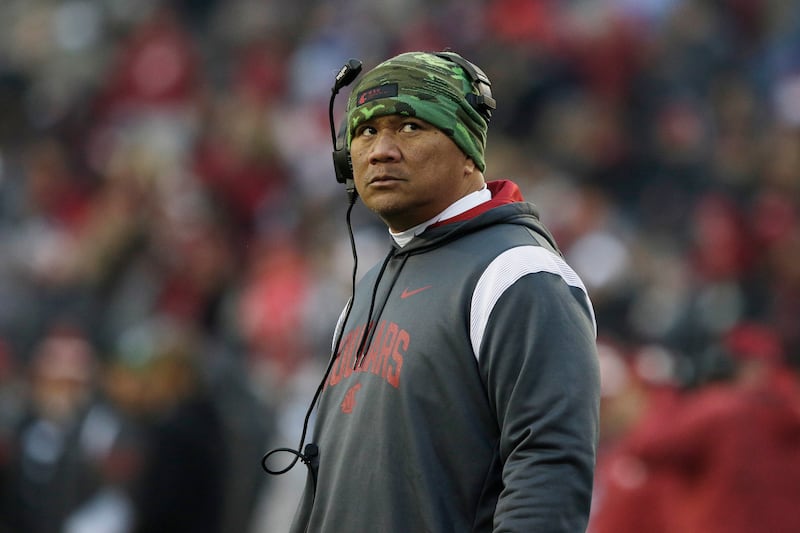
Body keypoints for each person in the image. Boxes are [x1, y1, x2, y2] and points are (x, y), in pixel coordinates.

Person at [290, 51, 600, 532]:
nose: (381, 150)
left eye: (409, 127)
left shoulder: (518, 273)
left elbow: (549, 467)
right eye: (366, 131)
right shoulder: (366, 288)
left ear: (467, 149)